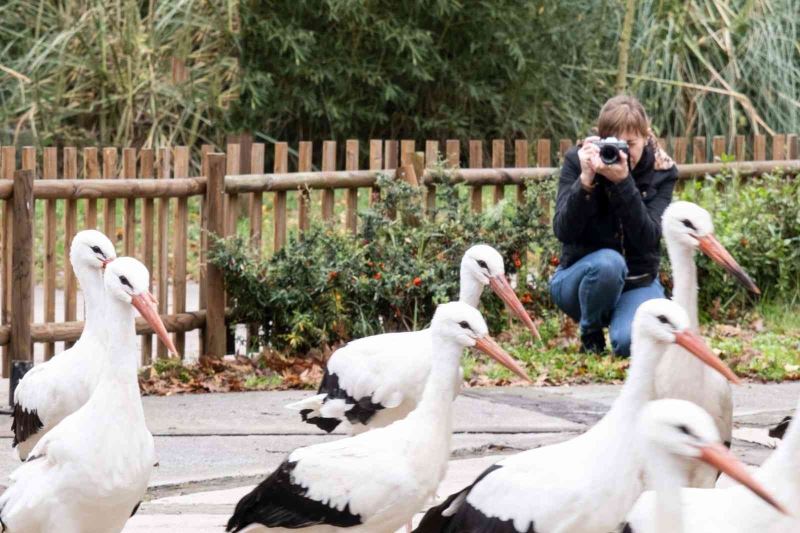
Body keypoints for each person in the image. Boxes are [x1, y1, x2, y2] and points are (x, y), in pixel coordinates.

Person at [550, 95, 678, 356]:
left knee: (630, 344)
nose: (622, 152)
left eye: (630, 143)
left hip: (637, 282)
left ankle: (620, 324)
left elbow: (649, 238)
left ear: (646, 136)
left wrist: (623, 184)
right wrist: (585, 181)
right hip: (581, 280)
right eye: (615, 143)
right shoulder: (580, 160)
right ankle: (591, 332)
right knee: (609, 263)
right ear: (601, 139)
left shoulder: (661, 171)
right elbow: (562, 230)